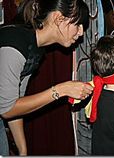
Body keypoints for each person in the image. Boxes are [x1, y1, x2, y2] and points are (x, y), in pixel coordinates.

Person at [0, 0, 94, 156]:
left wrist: (22, 150)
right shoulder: (15, 44)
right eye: (77, 25)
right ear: (58, 18)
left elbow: (15, 104)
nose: (81, 32)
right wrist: (61, 90)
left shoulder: (35, 48)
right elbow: (7, 109)